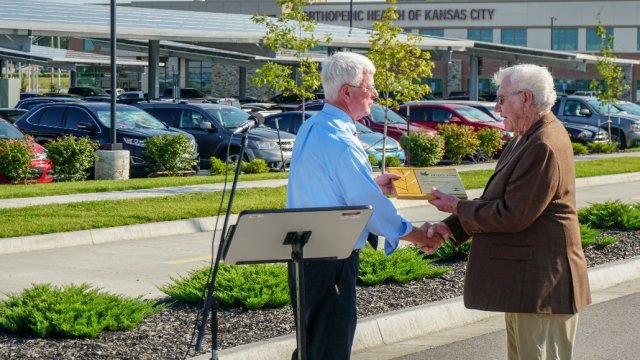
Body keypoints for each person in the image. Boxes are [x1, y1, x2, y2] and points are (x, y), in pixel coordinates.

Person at [426, 64, 591, 360]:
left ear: (525, 98)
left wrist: (457, 207)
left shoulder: (543, 143)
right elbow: (496, 199)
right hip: (527, 286)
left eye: (502, 98)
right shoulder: (525, 138)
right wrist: (452, 225)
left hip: (543, 289)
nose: (496, 106)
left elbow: (512, 215)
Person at [286, 51, 442, 360]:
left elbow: (327, 188)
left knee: (310, 348)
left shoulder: (312, 128)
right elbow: (368, 207)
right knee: (329, 350)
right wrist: (418, 235)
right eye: (368, 87)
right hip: (333, 259)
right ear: (347, 92)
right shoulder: (341, 140)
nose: (374, 95)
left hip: (305, 257)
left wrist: (371, 184)